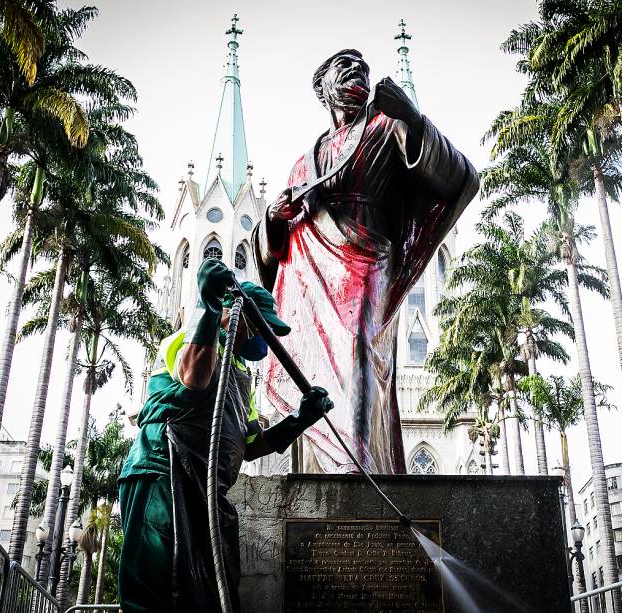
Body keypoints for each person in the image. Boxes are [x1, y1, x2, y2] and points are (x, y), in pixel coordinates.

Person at [253, 49, 478, 474]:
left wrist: (413, 118)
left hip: (368, 261)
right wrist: (272, 217)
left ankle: (356, 472)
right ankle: (329, 474)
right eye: (346, 66)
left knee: (358, 353)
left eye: (363, 68)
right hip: (310, 281)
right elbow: (269, 253)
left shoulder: (386, 128)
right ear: (322, 89)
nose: (358, 71)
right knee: (312, 374)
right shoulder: (304, 162)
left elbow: (459, 175)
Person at [118, 259, 333, 612]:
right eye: (259, 329)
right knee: (157, 590)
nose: (263, 341)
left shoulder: (241, 375)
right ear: (232, 316)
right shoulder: (188, 340)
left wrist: (299, 420)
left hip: (206, 489)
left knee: (210, 593)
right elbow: (193, 378)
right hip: (163, 474)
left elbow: (250, 446)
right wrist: (207, 304)